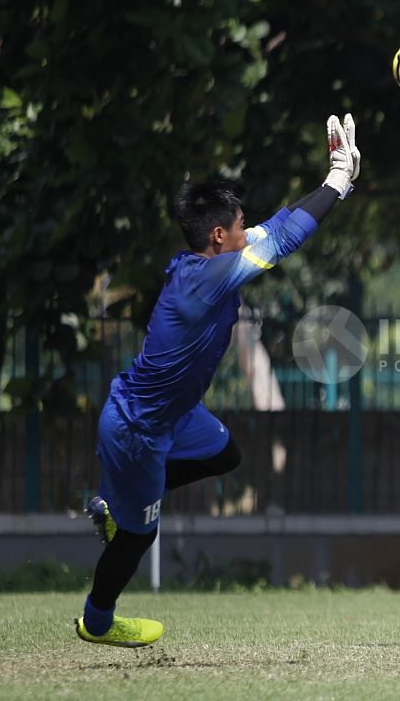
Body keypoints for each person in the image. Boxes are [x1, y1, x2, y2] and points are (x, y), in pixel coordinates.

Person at [75, 114, 360, 648]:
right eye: (239, 224)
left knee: (225, 454)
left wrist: (332, 178)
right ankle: (98, 619)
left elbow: (278, 225)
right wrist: (336, 188)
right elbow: (281, 242)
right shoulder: (207, 279)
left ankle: (119, 501)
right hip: (140, 428)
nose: (247, 228)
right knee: (140, 536)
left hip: (175, 416)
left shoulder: (207, 261)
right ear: (218, 235)